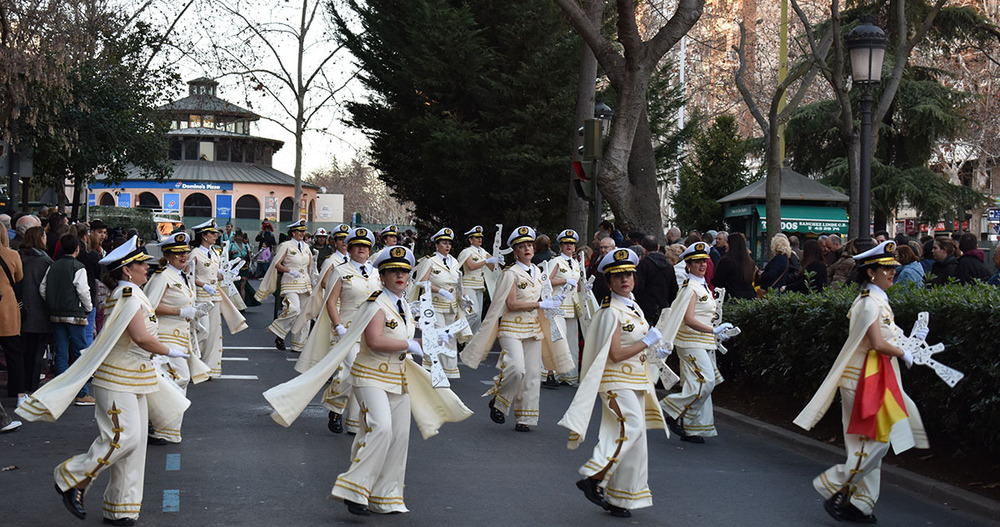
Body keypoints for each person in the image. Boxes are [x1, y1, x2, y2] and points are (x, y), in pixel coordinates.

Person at [262, 245, 472, 515]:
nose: (399, 276)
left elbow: (404, 333)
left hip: (398, 376)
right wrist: (413, 344)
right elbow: (374, 341)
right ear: (381, 276)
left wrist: (433, 337)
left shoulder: (404, 304)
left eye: (404, 272)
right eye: (392, 271)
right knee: (381, 427)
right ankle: (354, 489)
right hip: (370, 375)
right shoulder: (375, 303)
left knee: (398, 438)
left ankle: (386, 497)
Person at [17, 235, 191, 526]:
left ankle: (121, 507)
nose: (146, 268)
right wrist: (170, 350)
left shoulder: (134, 292)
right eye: (140, 264)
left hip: (136, 376)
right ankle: (73, 477)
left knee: (135, 448)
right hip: (117, 378)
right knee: (124, 438)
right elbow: (140, 336)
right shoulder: (128, 295)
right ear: (126, 269)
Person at [793, 241, 928, 524]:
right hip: (863, 379)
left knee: (869, 442)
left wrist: (910, 345)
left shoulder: (876, 300)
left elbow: (888, 335)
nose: (892, 273)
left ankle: (859, 504)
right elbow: (878, 343)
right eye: (886, 269)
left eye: (892, 268)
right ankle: (836, 486)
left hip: (874, 377)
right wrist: (904, 352)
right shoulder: (868, 303)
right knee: (877, 440)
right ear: (871, 273)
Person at [559, 248, 668, 518]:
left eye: (628, 274)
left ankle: (622, 499)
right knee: (629, 428)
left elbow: (640, 344)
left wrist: (656, 349)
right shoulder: (610, 312)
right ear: (608, 282)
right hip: (615, 381)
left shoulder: (634, 306)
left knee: (637, 439)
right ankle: (594, 478)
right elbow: (616, 354)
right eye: (617, 276)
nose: (625, 280)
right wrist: (647, 341)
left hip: (636, 380)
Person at [460, 226, 573, 432]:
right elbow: (510, 304)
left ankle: (525, 418)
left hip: (533, 328)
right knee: (516, 369)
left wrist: (552, 301)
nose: (527, 249)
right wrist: (540, 305)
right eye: (522, 247)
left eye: (529, 245)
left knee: (531, 375)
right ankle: (500, 400)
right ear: (515, 251)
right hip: (512, 328)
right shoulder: (510, 273)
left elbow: (541, 297)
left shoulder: (539, 272)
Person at [659, 242, 734, 443]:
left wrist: (717, 332)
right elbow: (689, 319)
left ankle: (692, 429)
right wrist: (713, 329)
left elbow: (705, 316)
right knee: (706, 381)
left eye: (704, 261)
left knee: (700, 383)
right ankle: (671, 409)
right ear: (688, 265)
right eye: (697, 262)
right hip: (690, 342)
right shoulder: (690, 288)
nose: (702, 265)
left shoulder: (700, 285)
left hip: (703, 341)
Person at [144, 232, 212, 444]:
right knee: (178, 378)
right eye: (177, 253)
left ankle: (163, 427)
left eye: (184, 252)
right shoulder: (162, 276)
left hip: (181, 336)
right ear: (167, 255)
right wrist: (181, 312)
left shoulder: (182, 275)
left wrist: (194, 313)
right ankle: (157, 424)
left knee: (177, 381)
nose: (182, 256)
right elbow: (150, 306)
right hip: (165, 336)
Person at [312, 227, 380, 435]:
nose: (361, 249)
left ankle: (355, 422)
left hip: (370, 331)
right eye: (357, 246)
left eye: (365, 246)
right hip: (347, 330)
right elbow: (331, 301)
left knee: (365, 376)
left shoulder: (377, 273)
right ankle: (335, 406)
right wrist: (338, 325)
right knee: (348, 372)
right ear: (349, 249)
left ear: (370, 250)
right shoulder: (340, 271)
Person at [410, 228, 472, 379]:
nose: (447, 246)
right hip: (433, 305)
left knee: (449, 338)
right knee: (438, 335)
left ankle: (449, 369)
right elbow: (420, 282)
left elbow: (459, 282)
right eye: (444, 243)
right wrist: (438, 290)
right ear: (436, 245)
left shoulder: (455, 261)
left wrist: (465, 296)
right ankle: (433, 368)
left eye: (449, 243)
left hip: (451, 305)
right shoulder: (431, 261)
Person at [41, 234, 95, 406]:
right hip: (75, 314)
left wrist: (51, 302)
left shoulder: (53, 266)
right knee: (80, 354)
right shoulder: (78, 267)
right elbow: (83, 290)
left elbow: (43, 288)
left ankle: (59, 393)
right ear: (77, 249)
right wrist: (88, 307)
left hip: (56, 313)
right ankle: (82, 393)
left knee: (62, 354)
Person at [191, 220, 248, 376]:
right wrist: (202, 285)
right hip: (201, 297)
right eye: (212, 233)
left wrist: (228, 276)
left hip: (214, 296)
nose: (216, 236)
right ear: (204, 236)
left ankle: (206, 367)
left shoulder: (214, 253)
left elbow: (215, 274)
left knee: (214, 334)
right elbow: (189, 276)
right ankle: (193, 362)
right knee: (203, 331)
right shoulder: (195, 253)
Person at [257, 219, 315, 352]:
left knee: (304, 317)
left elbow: (310, 266)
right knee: (294, 309)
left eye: (303, 231)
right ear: (293, 232)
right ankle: (279, 332)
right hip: (290, 282)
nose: (302, 233)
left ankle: (298, 345)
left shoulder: (306, 247)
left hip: (305, 283)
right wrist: (289, 270)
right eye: (299, 231)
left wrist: (312, 280)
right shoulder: (286, 245)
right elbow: (276, 263)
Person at [10, 227, 52, 407]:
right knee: (36, 351)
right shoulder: (45, 261)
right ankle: (31, 386)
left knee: (19, 351)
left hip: (17, 310)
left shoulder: (16, 256)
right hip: (39, 311)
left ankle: (16, 386)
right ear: (40, 238)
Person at [545, 229, 589, 385]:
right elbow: (546, 282)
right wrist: (564, 281)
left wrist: (584, 287)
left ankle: (568, 375)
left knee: (571, 341)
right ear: (560, 246)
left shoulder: (577, 263)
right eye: (566, 243)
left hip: (573, 305)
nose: (569, 246)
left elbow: (576, 285)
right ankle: (551, 374)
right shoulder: (555, 261)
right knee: (558, 339)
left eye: (572, 243)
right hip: (558, 304)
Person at [456, 225, 500, 335]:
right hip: (468, 284)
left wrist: (497, 261)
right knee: (473, 312)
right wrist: (486, 261)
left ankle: (470, 342)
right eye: (476, 237)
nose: (479, 239)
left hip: (480, 285)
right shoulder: (467, 251)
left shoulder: (484, 252)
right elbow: (471, 266)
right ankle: (460, 333)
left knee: (478, 317)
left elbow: (492, 269)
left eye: (480, 237)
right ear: (471, 240)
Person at [0, 226, 24, 403]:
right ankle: (19, 393)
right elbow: (18, 277)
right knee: (14, 354)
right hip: (6, 306)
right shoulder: (13, 255)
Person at [633, 234, 677, 326]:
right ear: (658, 247)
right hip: (663, 310)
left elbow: (638, 288)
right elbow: (674, 289)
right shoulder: (669, 266)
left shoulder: (643, 265)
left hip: (645, 310)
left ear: (643, 249)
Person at [711, 233, 756, 300]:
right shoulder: (749, 262)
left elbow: (718, 281)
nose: (726, 245)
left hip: (731, 298)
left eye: (727, 243)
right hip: (749, 297)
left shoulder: (726, 261)